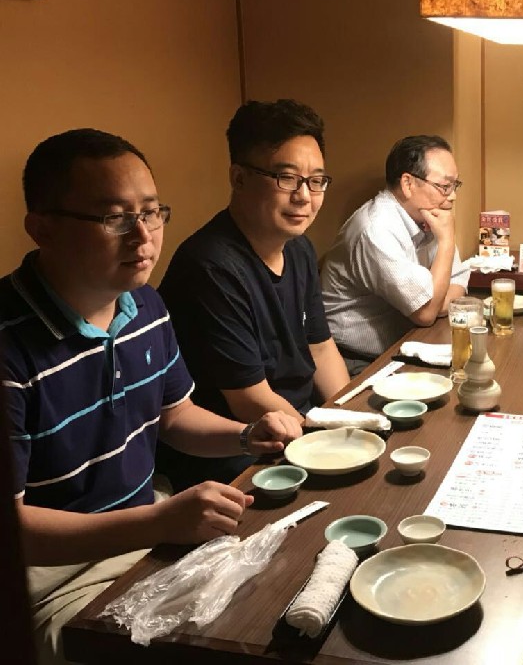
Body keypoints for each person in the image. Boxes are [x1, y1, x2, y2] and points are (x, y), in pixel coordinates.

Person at [2, 129, 301, 665]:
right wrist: (157, 523)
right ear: (42, 228)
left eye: (150, 213)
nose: (142, 236)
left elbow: (175, 416)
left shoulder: (143, 303)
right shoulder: (9, 347)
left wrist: (245, 435)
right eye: (114, 218)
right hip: (49, 579)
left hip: (144, 533)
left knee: (283, 597)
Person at [157, 100, 349, 491]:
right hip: (240, 450)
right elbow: (248, 400)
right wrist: (329, 446)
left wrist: (348, 419)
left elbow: (321, 348)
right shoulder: (211, 266)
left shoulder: (298, 248)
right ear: (239, 177)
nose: (304, 196)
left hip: (300, 423)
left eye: (316, 180)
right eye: (286, 178)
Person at [321, 135, 470, 374]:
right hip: (354, 359)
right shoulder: (376, 229)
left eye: (455, 185)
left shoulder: (427, 215)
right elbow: (425, 313)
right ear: (408, 183)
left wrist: (435, 302)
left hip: (408, 343)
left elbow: (459, 279)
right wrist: (446, 242)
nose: (452, 196)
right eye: (444, 186)